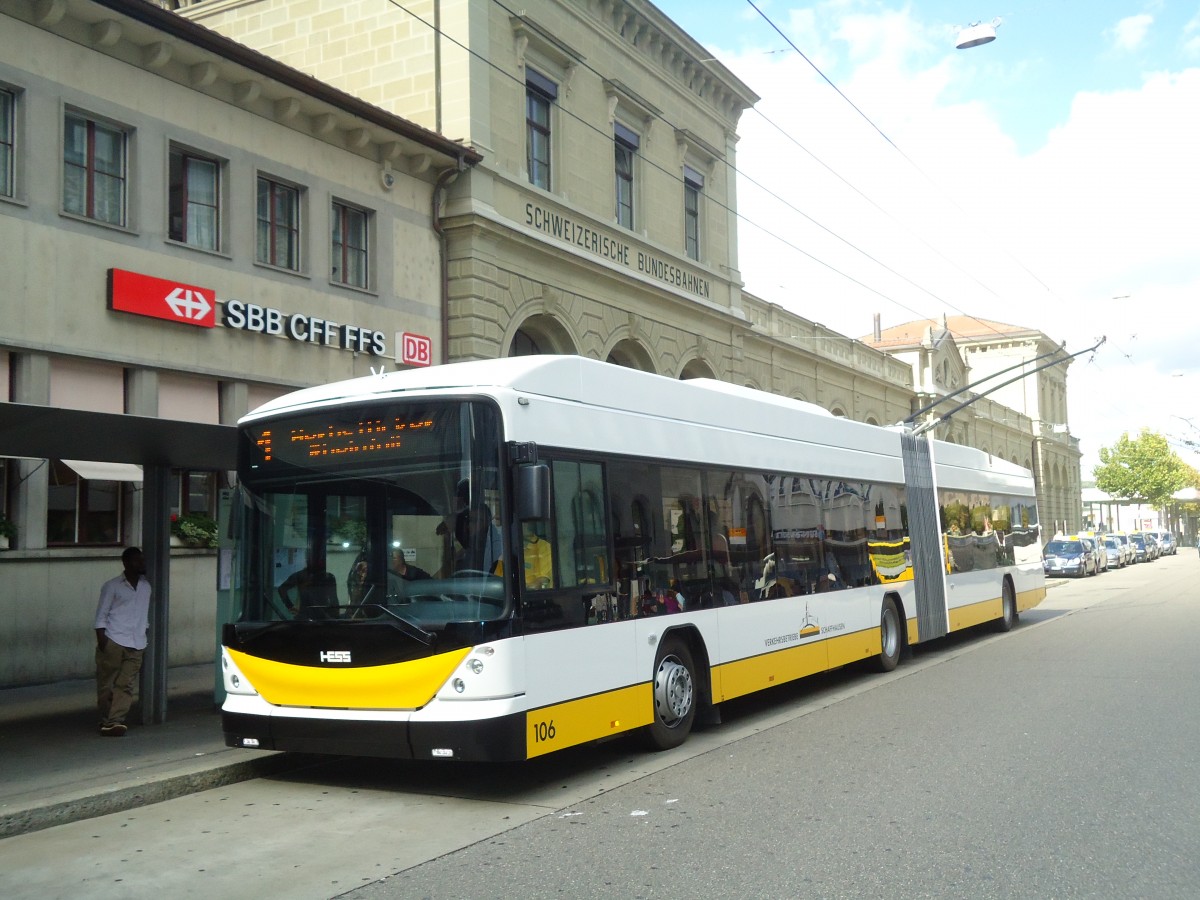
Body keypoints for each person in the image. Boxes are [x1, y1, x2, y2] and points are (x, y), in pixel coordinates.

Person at [94, 547, 151, 737]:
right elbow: (101, 615)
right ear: (126, 563)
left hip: (137, 642)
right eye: (137, 560)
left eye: (142, 560)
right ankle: (106, 718)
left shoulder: (146, 587)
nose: (141, 564)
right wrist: (103, 641)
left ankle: (115, 721)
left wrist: (145, 632)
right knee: (107, 684)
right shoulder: (112, 586)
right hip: (114, 639)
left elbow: (143, 613)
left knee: (126, 684)